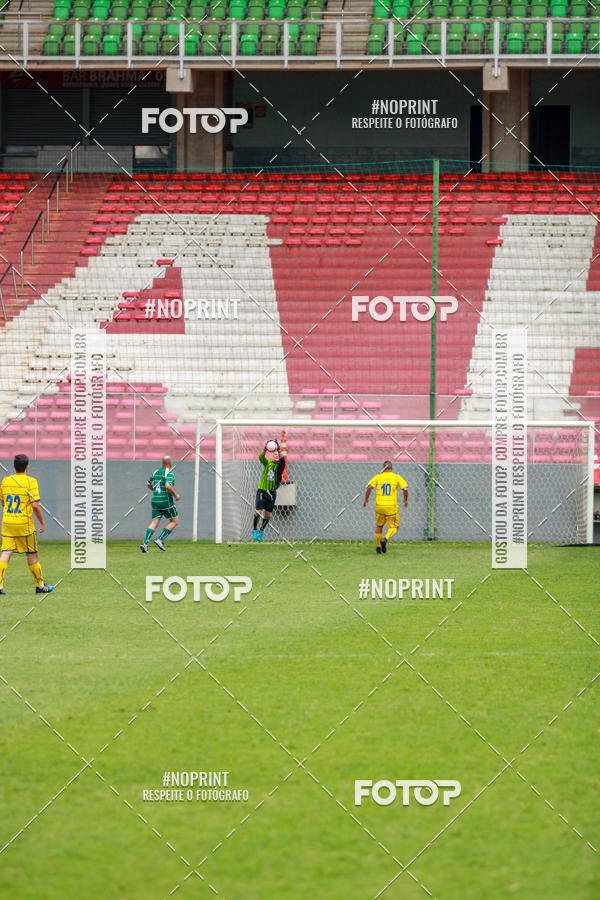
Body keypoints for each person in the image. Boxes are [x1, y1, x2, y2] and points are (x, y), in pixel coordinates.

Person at [0, 453, 54, 594]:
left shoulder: (5, 481)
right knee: (32, 554)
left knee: (5, 552)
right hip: (24, 524)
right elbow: (35, 506)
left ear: (13, 466)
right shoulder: (31, 482)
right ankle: (40, 586)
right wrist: (42, 523)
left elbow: (3, 502)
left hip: (8, 522)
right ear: (27, 467)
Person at [363, 460, 408, 554]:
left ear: (383, 468)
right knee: (395, 526)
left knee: (379, 526)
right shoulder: (396, 477)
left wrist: (366, 499)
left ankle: (378, 547)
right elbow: (405, 488)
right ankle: (386, 539)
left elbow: (369, 488)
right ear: (391, 468)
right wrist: (405, 499)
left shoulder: (378, 477)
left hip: (379, 506)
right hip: (391, 507)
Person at [140, 455, 181, 552]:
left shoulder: (155, 472)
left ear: (162, 463)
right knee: (174, 521)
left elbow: (148, 483)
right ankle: (160, 539)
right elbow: (167, 486)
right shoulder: (169, 473)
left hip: (155, 500)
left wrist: (154, 490)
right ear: (170, 463)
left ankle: (145, 544)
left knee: (154, 521)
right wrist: (176, 495)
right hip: (165, 501)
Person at [252, 439, 286, 542]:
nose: (276, 455)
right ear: (272, 455)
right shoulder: (268, 463)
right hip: (262, 490)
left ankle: (261, 531)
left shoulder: (280, 467)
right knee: (258, 512)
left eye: (277, 454)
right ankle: (254, 530)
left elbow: (283, 461)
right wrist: (265, 448)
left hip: (271, 493)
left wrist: (278, 449)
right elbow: (261, 457)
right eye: (274, 454)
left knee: (267, 515)